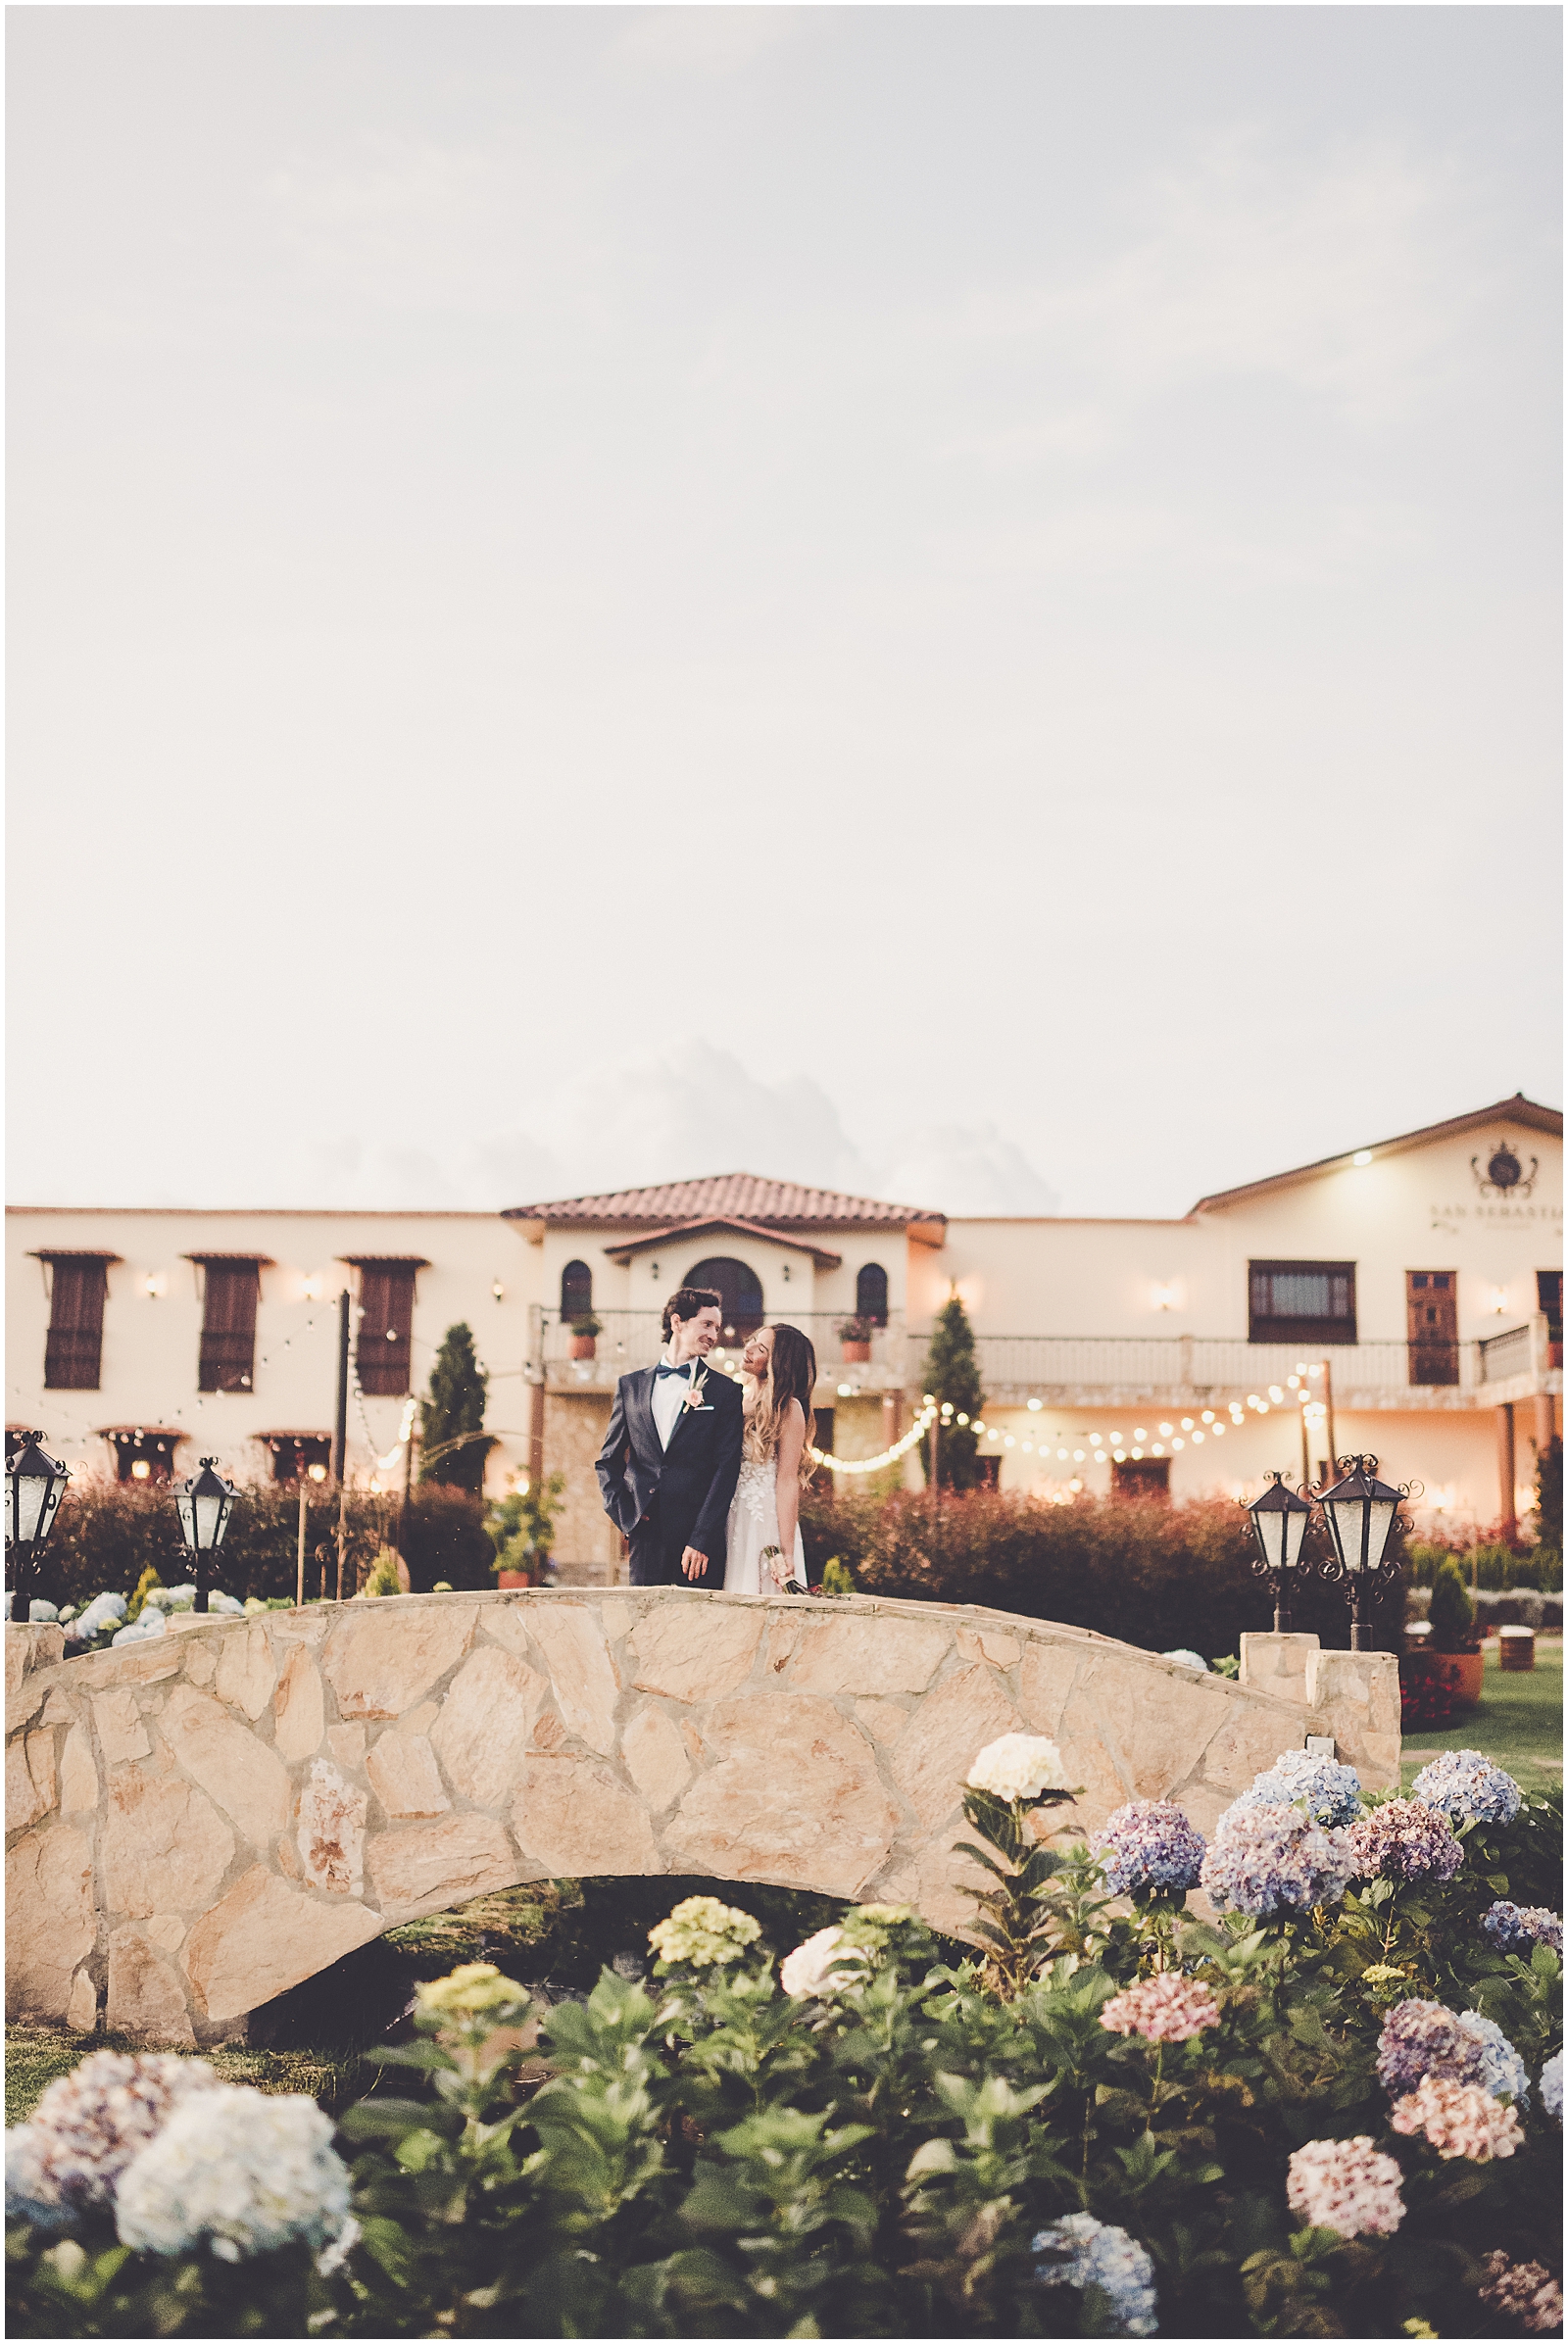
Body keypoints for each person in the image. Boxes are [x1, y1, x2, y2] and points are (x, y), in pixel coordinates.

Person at [595, 1285, 745, 1587]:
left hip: (698, 1544)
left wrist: (702, 1538)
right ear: (677, 1323)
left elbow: (726, 1469)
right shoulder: (630, 1387)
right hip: (646, 1538)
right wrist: (627, 1515)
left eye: (716, 1327)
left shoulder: (725, 1392)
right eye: (706, 1324)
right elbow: (608, 1461)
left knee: (697, 1628)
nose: (714, 1335)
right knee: (644, 1627)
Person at [723, 1323, 817, 1594]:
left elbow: (787, 1481)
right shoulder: (734, 1398)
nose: (748, 1348)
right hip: (727, 1512)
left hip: (761, 1520)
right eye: (751, 1340)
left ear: (779, 1363)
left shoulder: (789, 1409)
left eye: (760, 1348)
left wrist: (786, 1552)